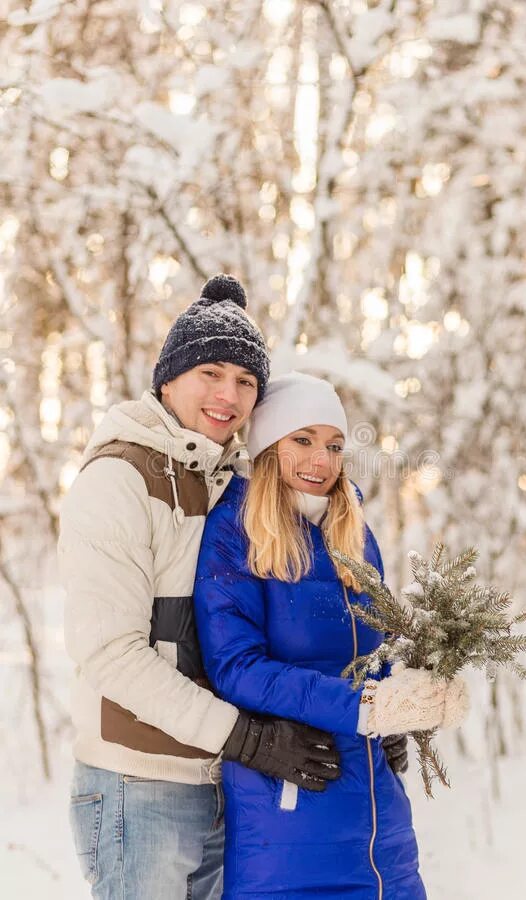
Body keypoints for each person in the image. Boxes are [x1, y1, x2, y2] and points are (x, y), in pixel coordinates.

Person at [58, 278, 341, 900]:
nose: (227, 395)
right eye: (209, 372)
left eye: (245, 381)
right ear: (167, 380)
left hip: (223, 784)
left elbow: (283, 634)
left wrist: (373, 717)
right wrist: (245, 736)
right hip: (140, 787)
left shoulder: (235, 486)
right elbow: (111, 653)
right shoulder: (119, 479)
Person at [193, 372, 470, 900]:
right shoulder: (235, 531)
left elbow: (378, 649)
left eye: (334, 445)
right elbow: (236, 668)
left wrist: (418, 693)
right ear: (269, 445)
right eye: (302, 440)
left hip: (380, 824)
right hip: (287, 823)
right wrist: (364, 706)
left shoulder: (353, 531)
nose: (320, 460)